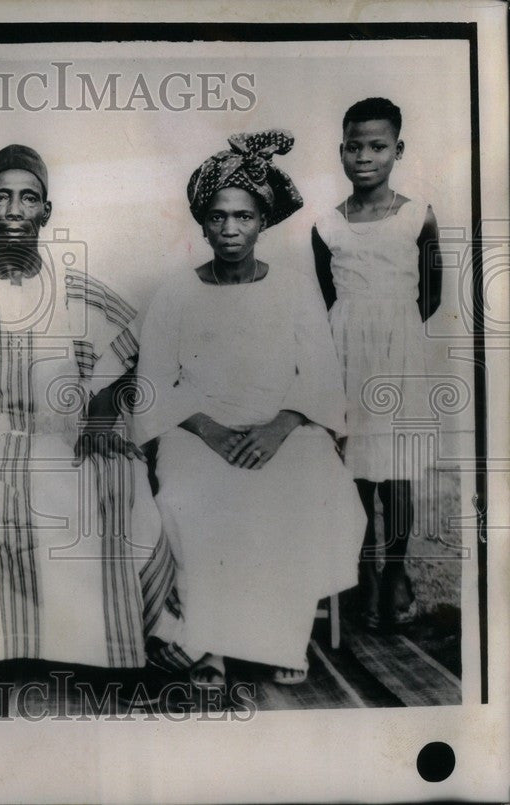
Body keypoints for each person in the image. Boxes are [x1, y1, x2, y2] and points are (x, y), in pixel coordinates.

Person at [0, 144, 184, 673]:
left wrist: (98, 425)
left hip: (60, 441)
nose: (13, 210)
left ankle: (89, 648)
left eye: (28, 198)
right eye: (1, 198)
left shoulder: (79, 295)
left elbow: (126, 368)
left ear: (45, 212)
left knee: (107, 477)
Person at [135, 131, 366, 689]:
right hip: (197, 428)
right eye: (219, 217)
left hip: (283, 425)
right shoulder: (175, 293)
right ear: (203, 222)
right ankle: (209, 644)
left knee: (303, 489)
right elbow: (151, 386)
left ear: (263, 221)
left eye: (244, 216)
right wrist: (208, 430)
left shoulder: (292, 289)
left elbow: (317, 377)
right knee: (194, 497)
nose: (231, 230)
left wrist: (281, 427)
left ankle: (285, 639)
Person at [312, 98, 442, 630]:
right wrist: (355, 331)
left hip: (399, 352)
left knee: (397, 471)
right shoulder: (326, 224)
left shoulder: (418, 215)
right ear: (341, 150)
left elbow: (431, 293)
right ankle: (364, 571)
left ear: (398, 150)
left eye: (377, 146)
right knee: (356, 472)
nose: (364, 156)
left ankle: (396, 571)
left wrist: (394, 331)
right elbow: (326, 297)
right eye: (354, 146)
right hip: (347, 354)